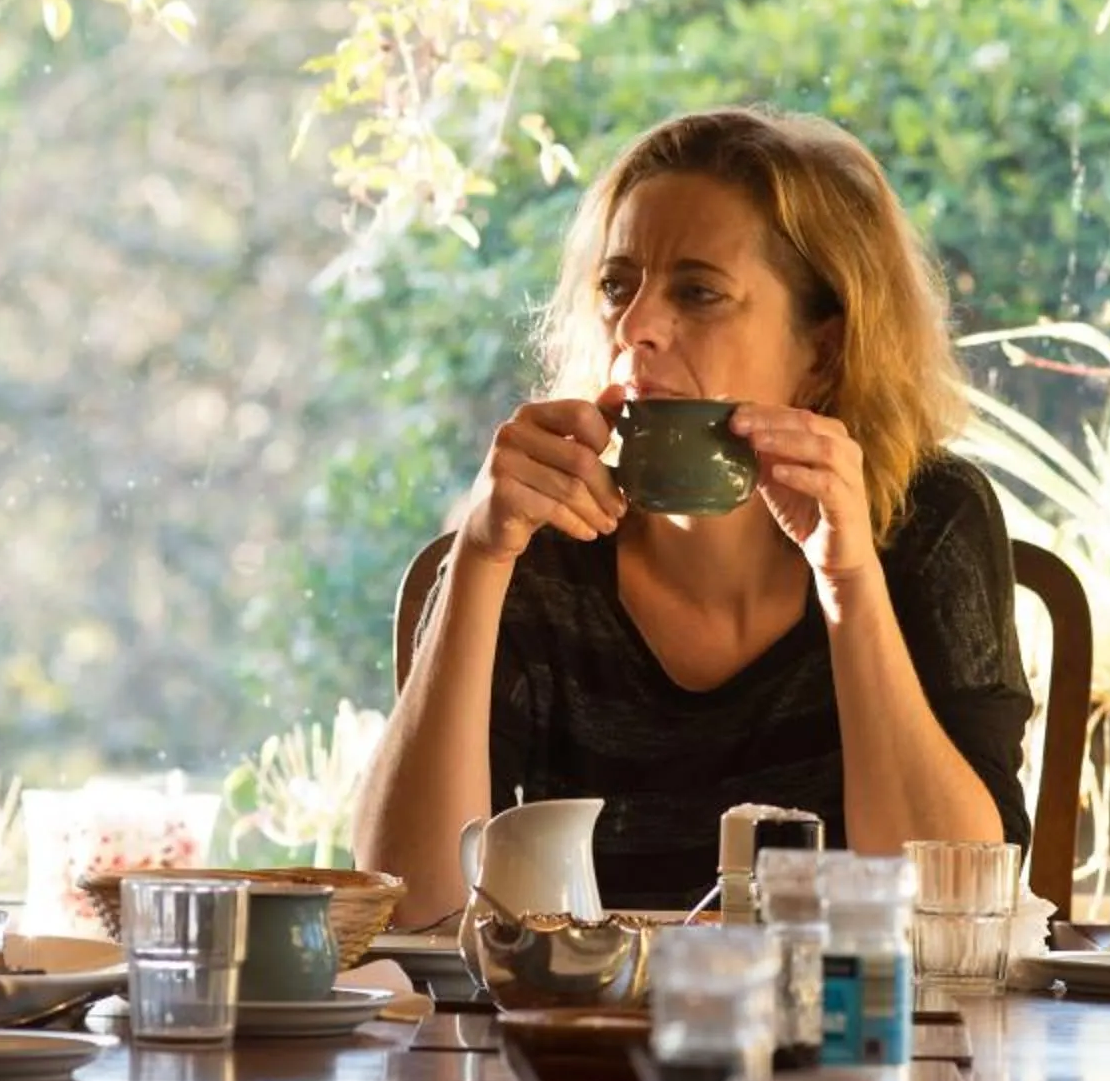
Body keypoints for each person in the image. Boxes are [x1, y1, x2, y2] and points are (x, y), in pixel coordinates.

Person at [355, 107, 1031, 918]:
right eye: (616, 285)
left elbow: (955, 900)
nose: (634, 326)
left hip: (844, 1034)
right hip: (577, 1035)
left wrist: (848, 579)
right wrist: (479, 558)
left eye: (699, 293)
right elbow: (410, 904)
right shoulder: (543, 542)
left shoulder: (922, 523)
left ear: (821, 351)